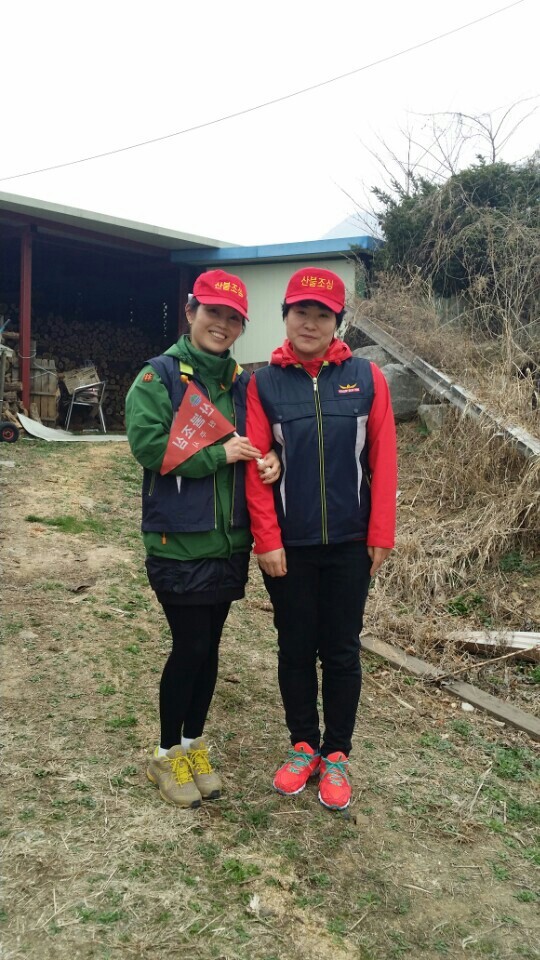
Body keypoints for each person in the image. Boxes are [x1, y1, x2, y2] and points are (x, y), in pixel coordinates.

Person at [125, 269, 279, 809]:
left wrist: (271, 459)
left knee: (210, 649)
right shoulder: (159, 378)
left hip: (229, 542)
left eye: (233, 318)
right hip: (178, 542)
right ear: (191, 312)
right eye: (213, 312)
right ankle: (165, 753)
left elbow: (263, 440)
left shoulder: (242, 384)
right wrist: (219, 454)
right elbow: (148, 447)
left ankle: (193, 744)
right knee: (189, 646)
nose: (222, 324)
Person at [245, 267, 397, 812]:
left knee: (341, 650)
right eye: (300, 312)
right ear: (285, 316)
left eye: (322, 314)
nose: (310, 323)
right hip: (291, 546)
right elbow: (256, 466)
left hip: (351, 543)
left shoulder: (368, 378)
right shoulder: (263, 384)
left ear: (338, 322)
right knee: (294, 647)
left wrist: (381, 533)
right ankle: (303, 745)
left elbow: (383, 459)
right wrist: (267, 540)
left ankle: (336, 754)